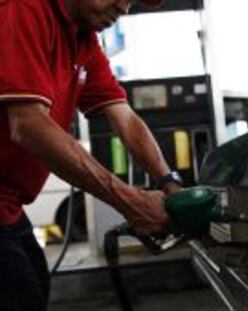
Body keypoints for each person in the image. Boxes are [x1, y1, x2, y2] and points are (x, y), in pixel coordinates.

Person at [0, 0, 180, 310]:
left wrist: (170, 186)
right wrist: (131, 201)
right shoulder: (25, 8)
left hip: (9, 205)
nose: (125, 9)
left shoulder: (84, 41)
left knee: (34, 283)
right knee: (20, 294)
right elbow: (28, 125)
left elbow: (124, 117)